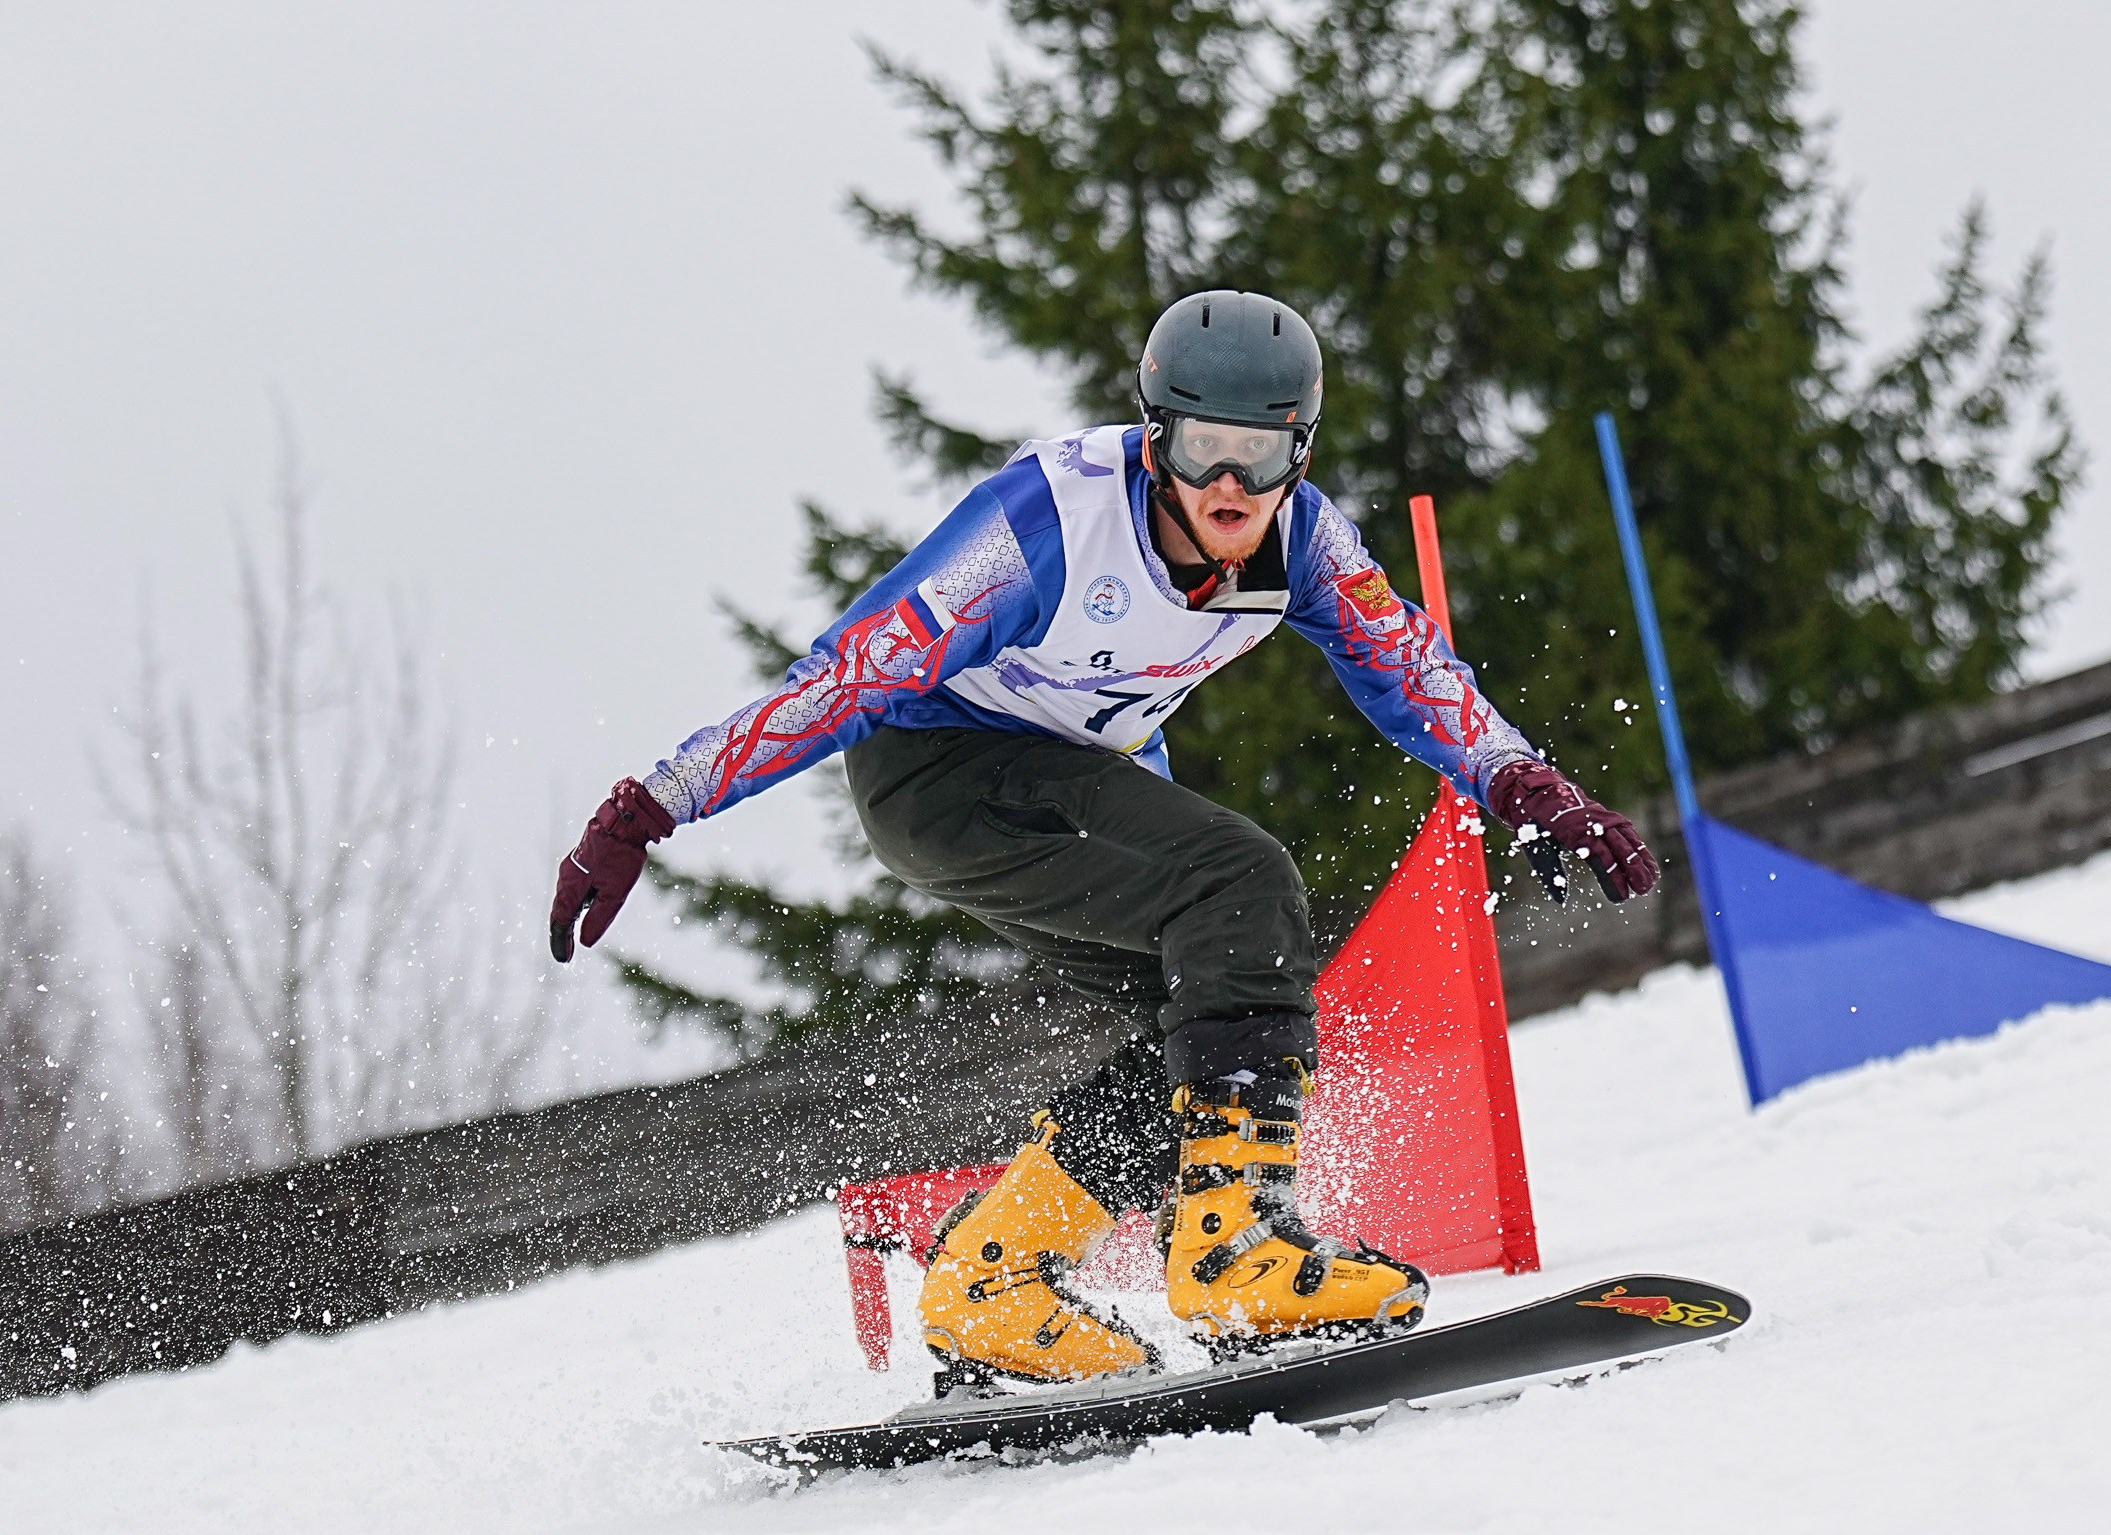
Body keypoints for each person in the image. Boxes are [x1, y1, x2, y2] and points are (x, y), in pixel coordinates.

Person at [551, 290, 1658, 1392]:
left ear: (1299, 452)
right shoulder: (1051, 523)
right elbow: (852, 672)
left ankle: (994, 1277)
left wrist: (1524, 782)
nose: (1230, 487)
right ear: (1152, 435)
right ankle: (1233, 1260)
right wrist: (655, 805)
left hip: (1065, 781)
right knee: (1244, 881)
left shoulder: (1305, 543)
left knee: (1213, 1018)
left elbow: (1407, 667)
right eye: (1201, 450)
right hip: (941, 771)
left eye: (1261, 456)